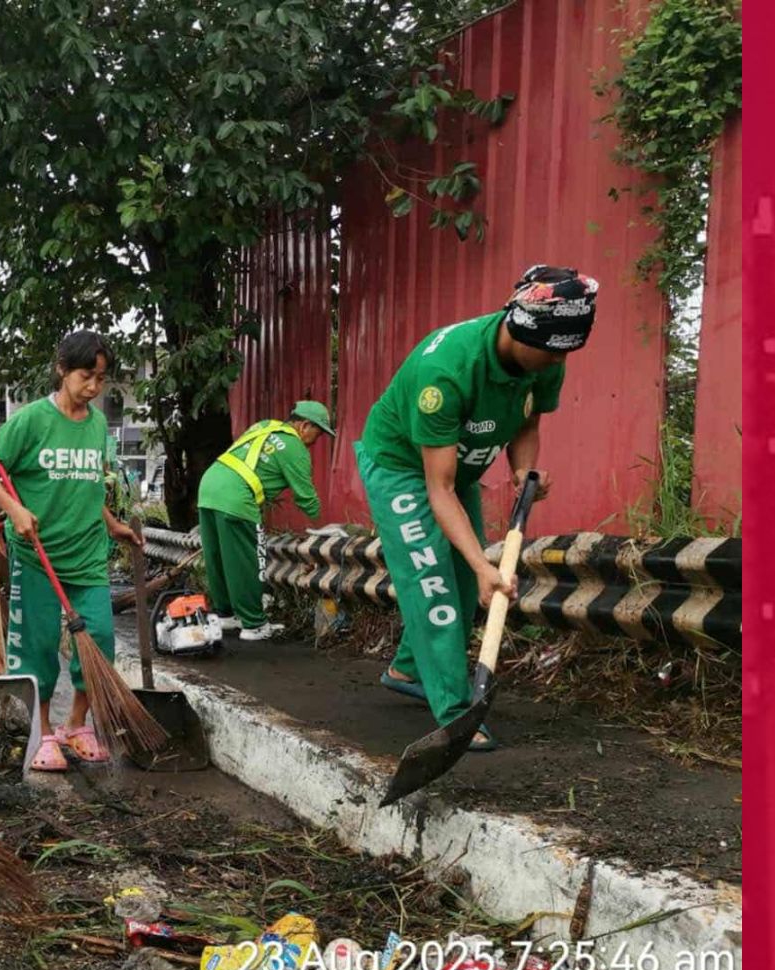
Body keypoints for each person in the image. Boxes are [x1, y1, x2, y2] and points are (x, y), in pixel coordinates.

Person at [354, 264, 598, 752]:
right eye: (550, 353)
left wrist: (525, 472)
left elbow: (528, 421)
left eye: (564, 354)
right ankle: (455, 711)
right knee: (436, 585)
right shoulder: (443, 373)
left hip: (456, 469)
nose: (556, 363)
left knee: (467, 584)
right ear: (519, 329)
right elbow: (438, 491)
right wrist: (482, 563)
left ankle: (407, 668)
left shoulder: (550, 351)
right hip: (402, 466)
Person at [0, 331, 142, 772]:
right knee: (38, 647)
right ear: (62, 370)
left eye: (102, 379)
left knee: (98, 641)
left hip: (87, 556)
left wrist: (112, 523)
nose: (94, 388)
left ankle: (77, 723)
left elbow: (85, 483)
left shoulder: (99, 424)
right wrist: (14, 509)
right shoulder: (31, 421)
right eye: (87, 376)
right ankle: (42, 731)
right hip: (37, 558)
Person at [194, 401, 335, 641]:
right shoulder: (295, 448)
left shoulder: (265, 425)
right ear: (304, 425)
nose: (315, 441)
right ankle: (254, 624)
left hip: (209, 487)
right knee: (248, 561)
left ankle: (226, 614)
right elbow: (307, 500)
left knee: (218, 558)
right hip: (236, 498)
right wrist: (332, 528)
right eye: (318, 433)